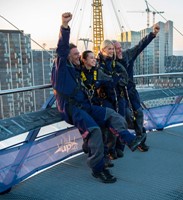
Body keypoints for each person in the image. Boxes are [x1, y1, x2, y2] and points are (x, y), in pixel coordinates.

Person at [51, 12, 145, 183]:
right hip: (72, 109)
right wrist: (64, 27)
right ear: (67, 57)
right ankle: (98, 169)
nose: (78, 56)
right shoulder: (62, 68)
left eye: (79, 53)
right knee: (94, 130)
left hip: (84, 106)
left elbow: (93, 74)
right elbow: (62, 50)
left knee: (112, 115)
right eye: (75, 54)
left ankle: (129, 140)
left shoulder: (77, 69)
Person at [112, 23, 160, 152]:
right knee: (127, 117)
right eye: (116, 49)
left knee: (139, 113)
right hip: (121, 94)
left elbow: (140, 45)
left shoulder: (128, 55)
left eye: (119, 47)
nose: (119, 50)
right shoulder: (111, 63)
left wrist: (152, 34)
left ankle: (141, 141)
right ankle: (126, 142)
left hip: (131, 90)